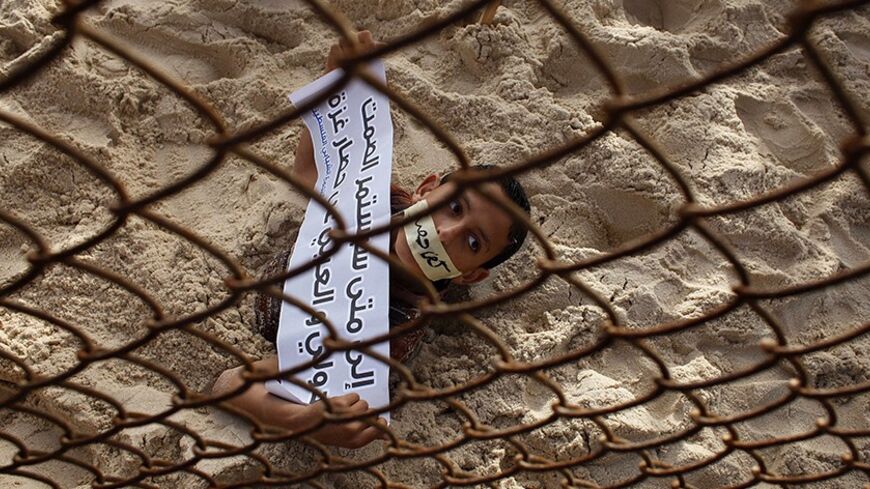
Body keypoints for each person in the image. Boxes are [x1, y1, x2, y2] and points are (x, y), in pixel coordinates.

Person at [211, 31, 531, 449]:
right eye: (453, 207)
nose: (445, 231)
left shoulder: (389, 329)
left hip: (280, 328)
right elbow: (309, 172)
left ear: (471, 275)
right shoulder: (380, 200)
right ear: (427, 187)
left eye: (472, 243)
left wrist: (300, 419)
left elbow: (228, 384)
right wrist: (335, 84)